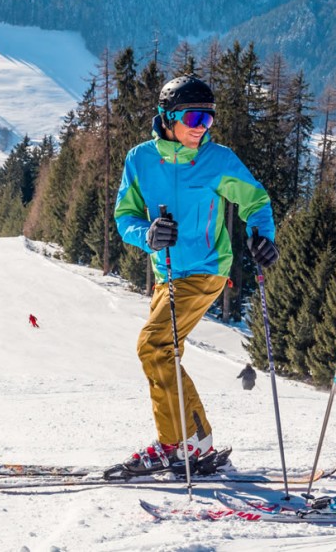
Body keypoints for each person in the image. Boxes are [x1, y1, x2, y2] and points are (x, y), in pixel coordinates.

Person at [114, 75, 278, 474]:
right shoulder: (139, 160)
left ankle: (176, 444)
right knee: (164, 352)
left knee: (153, 346)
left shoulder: (216, 160)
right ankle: (196, 441)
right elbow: (125, 216)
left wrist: (262, 236)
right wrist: (148, 235)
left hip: (206, 269)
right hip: (166, 271)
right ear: (167, 117)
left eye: (208, 119)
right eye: (193, 117)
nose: (201, 127)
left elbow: (254, 200)